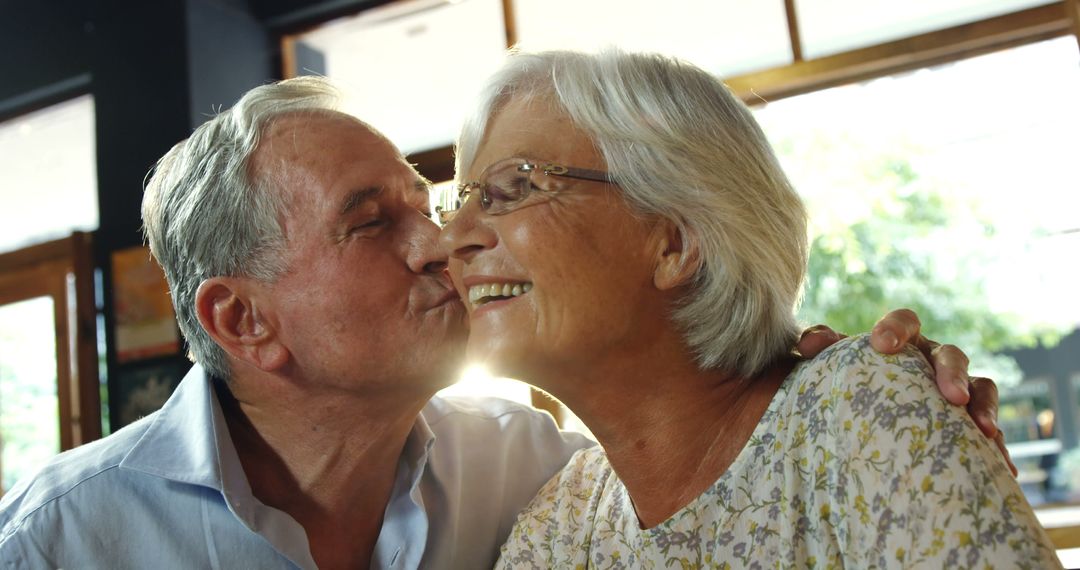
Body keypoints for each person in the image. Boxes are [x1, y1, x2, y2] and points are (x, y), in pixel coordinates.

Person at [0, 76, 1002, 569]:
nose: (441, 244)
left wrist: (825, 375)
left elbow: (697, 439)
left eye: (430, 205)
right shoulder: (62, 539)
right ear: (242, 320)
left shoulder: (535, 476)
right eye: (371, 223)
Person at [439, 49, 1058, 567]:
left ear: (674, 243)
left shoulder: (859, 407)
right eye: (459, 201)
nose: (452, 237)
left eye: (511, 187)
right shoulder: (562, 522)